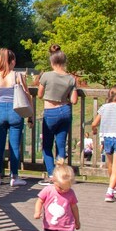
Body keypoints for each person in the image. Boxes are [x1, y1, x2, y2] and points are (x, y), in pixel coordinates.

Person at [0, 48, 29, 187]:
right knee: (14, 146)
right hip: (15, 111)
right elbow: (26, 93)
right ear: (11, 61)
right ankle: (14, 176)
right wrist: (30, 113)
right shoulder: (17, 75)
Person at [36, 45, 78, 184]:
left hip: (50, 112)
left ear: (52, 62)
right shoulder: (71, 79)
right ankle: (61, 174)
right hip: (65, 111)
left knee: (47, 146)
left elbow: (40, 95)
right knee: (61, 145)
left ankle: (52, 175)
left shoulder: (46, 76)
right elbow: (74, 100)